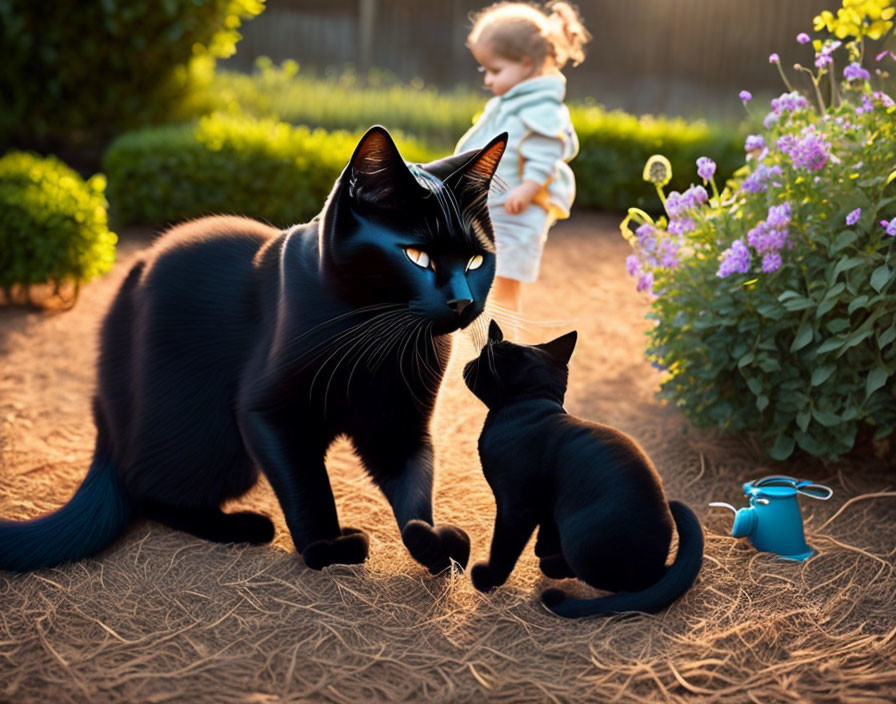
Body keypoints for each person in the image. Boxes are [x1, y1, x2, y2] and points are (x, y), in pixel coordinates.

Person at [455, 1, 590, 319]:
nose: (487, 80)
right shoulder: (511, 103)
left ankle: (503, 343)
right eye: (483, 70)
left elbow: (547, 154)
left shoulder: (541, 109)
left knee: (504, 284)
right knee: (483, 277)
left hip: (518, 213)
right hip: (497, 210)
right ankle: (486, 337)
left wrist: (527, 189)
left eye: (495, 70)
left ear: (527, 64)